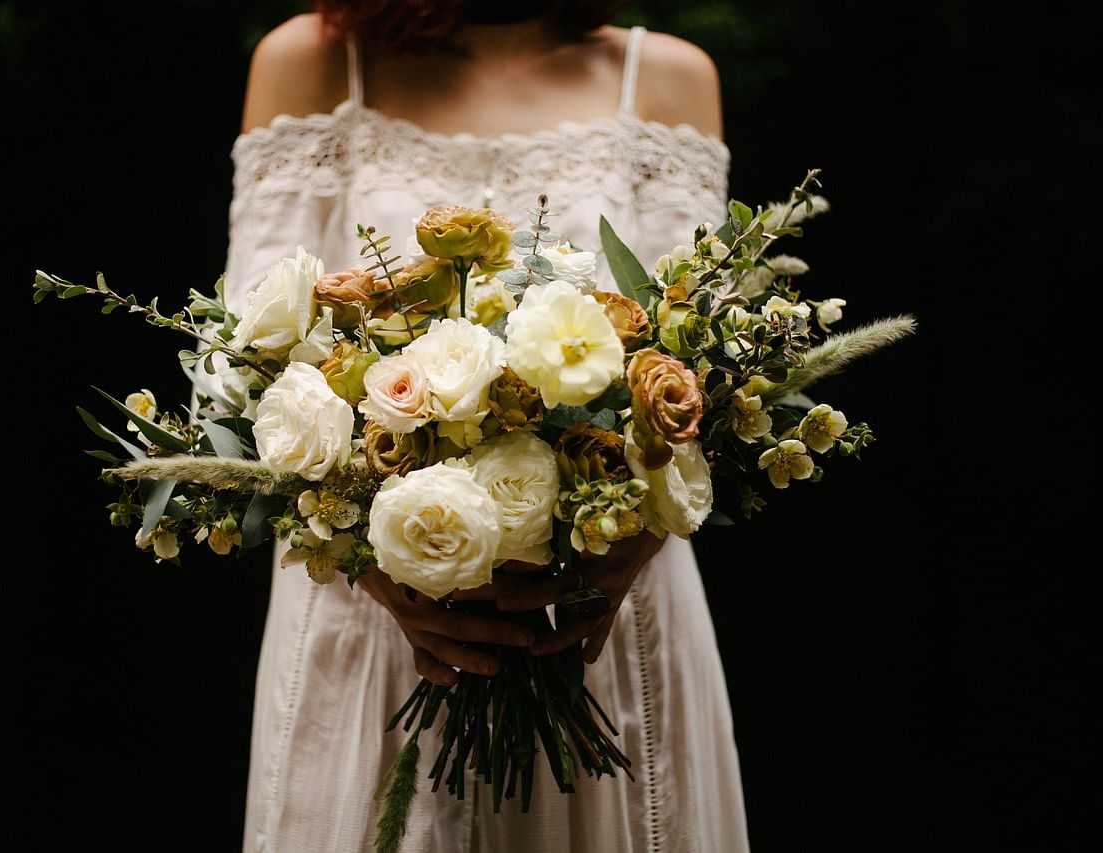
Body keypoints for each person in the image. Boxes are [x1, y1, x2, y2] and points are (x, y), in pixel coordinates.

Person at [217, 3, 749, 850]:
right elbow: (251, 370)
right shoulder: (315, 63)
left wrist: (623, 552)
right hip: (371, 633)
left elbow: (705, 370)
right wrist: (378, 564)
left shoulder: (669, 80)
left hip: (601, 629)